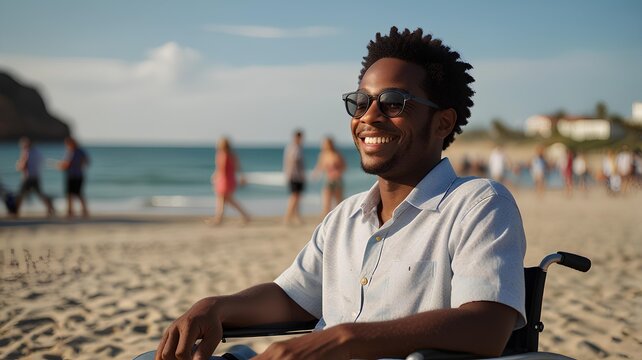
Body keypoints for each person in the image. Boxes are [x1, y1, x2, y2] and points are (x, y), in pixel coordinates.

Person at [152, 27, 526, 360]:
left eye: (394, 102)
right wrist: (216, 307)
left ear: (442, 122)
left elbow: (487, 326)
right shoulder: (345, 217)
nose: (369, 116)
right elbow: (291, 297)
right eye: (360, 102)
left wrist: (345, 338)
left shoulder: (478, 204)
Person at [209, 137, 250, 225]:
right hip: (231, 179)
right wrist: (242, 176)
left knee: (224, 199)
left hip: (224, 180)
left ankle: (245, 216)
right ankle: (219, 218)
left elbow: (221, 169)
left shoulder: (222, 154)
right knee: (225, 200)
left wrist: (215, 178)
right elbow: (238, 167)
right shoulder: (232, 155)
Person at [15, 137, 55, 217]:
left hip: (28, 177)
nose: (21, 146)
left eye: (22, 144)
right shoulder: (37, 151)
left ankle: (16, 212)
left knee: (20, 194)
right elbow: (42, 163)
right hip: (36, 176)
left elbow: (22, 166)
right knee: (40, 194)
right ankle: (50, 208)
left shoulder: (26, 152)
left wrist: (18, 165)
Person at [312, 137, 347, 217]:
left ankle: (341, 218)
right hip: (328, 180)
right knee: (326, 203)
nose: (324, 145)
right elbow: (319, 166)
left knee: (339, 202)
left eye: (326, 143)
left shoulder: (337, 154)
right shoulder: (323, 155)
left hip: (337, 180)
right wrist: (315, 174)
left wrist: (338, 172)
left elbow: (344, 166)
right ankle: (326, 220)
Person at [58, 137, 90, 217]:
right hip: (74, 175)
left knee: (76, 193)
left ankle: (81, 210)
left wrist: (63, 166)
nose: (66, 145)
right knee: (71, 193)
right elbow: (86, 161)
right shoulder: (75, 151)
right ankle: (71, 210)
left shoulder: (74, 152)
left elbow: (67, 164)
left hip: (75, 175)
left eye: (67, 143)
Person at [283, 130, 306, 225]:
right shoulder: (295, 148)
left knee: (297, 197)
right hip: (295, 176)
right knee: (295, 197)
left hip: (294, 176)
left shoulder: (293, 147)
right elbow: (293, 162)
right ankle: (287, 217)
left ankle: (297, 217)